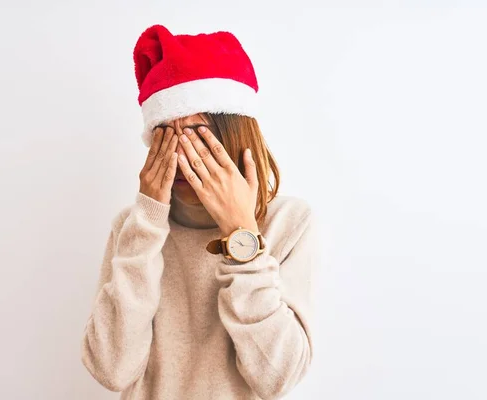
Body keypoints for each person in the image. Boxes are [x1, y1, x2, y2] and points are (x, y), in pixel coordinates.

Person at [81, 24, 318, 400]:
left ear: (233, 135)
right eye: (164, 135)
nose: (179, 155)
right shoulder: (134, 226)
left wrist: (242, 235)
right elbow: (112, 370)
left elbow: (278, 378)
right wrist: (146, 224)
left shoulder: (288, 223)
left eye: (196, 135)